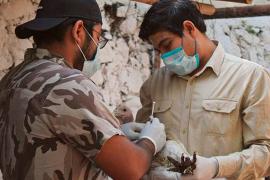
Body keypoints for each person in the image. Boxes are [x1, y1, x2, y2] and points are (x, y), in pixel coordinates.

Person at [0, 0, 167, 179]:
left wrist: (116, 134)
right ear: (78, 30)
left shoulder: (13, 77)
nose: (97, 46)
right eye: (97, 37)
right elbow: (131, 168)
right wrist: (150, 140)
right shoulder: (68, 84)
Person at [133, 0, 270, 179]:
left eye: (167, 45)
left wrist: (216, 167)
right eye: (159, 50)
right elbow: (144, 148)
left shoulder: (250, 77)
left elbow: (265, 153)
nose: (165, 57)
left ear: (189, 28)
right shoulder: (155, 83)